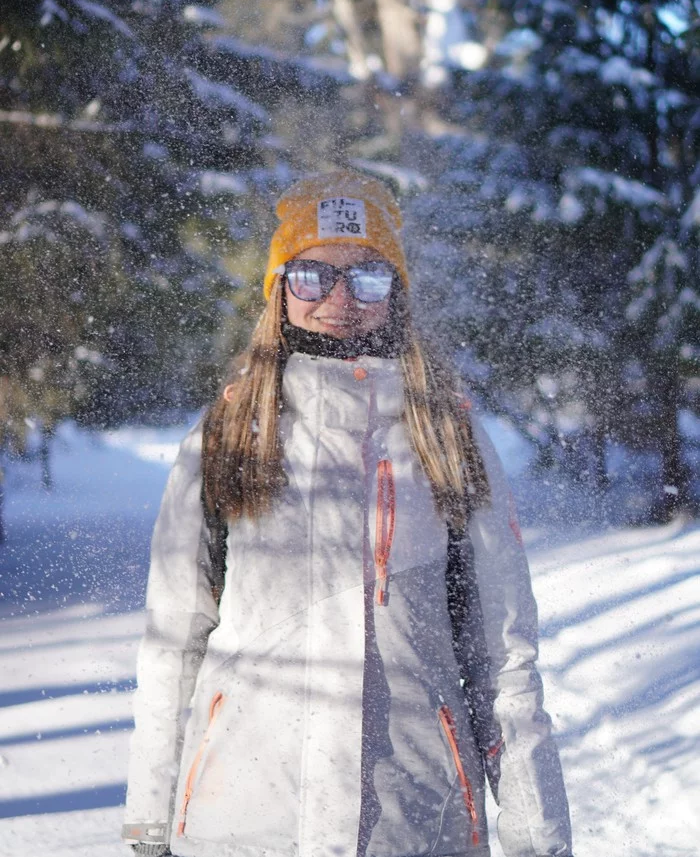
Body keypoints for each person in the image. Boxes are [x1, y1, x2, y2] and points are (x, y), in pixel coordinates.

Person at [122, 171, 574, 857]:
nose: (338, 299)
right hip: (245, 822)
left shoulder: (448, 436)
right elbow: (171, 644)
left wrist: (540, 839)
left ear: (396, 295)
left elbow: (503, 659)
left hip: (417, 821)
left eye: (366, 278)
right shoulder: (225, 433)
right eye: (312, 276)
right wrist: (146, 830)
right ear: (279, 288)